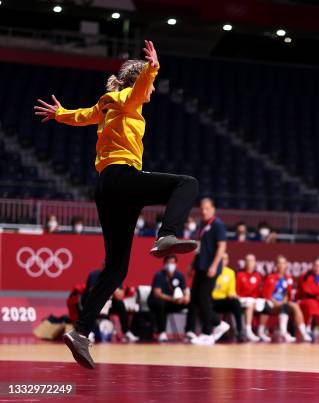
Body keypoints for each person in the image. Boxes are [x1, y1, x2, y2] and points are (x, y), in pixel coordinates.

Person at [35, 40, 199, 368]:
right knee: (187, 183)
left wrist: (60, 114)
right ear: (139, 82)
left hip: (108, 187)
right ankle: (167, 234)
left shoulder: (108, 104)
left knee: (116, 268)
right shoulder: (128, 99)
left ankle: (80, 332)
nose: (151, 92)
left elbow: (84, 116)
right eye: (149, 86)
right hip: (122, 178)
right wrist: (152, 68)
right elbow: (139, 90)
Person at [185, 197, 230, 345]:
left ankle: (207, 332)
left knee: (204, 298)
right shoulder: (201, 225)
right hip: (200, 266)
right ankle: (218, 324)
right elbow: (198, 247)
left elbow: (222, 247)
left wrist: (214, 265)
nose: (204, 211)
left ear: (213, 209)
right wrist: (192, 264)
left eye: (207, 208)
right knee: (196, 299)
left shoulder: (218, 225)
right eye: (202, 209)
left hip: (210, 267)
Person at [82, 265, 138, 343]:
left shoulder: (115, 276)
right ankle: (89, 332)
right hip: (94, 301)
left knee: (120, 304)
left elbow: (120, 295)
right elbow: (92, 291)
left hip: (109, 303)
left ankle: (126, 332)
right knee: (94, 305)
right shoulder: (94, 275)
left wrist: (110, 283)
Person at [262, 255, 312, 342]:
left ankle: (304, 333)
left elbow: (288, 294)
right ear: (276, 265)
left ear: (286, 265)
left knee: (295, 306)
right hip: (272, 304)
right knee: (284, 306)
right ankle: (284, 332)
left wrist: (284, 300)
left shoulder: (288, 278)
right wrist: (276, 302)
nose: (281, 265)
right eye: (279, 263)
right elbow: (267, 295)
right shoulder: (270, 277)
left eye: (283, 263)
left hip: (283, 304)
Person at [147, 255, 190, 342]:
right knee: (160, 304)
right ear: (164, 264)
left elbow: (185, 289)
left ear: (176, 264)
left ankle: (190, 331)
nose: (171, 265)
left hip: (173, 302)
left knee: (192, 304)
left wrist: (186, 297)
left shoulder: (179, 275)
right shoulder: (159, 275)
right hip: (157, 302)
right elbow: (157, 294)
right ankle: (162, 332)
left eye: (173, 263)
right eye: (168, 263)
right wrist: (172, 299)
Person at [236, 254, 271, 342]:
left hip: (254, 300)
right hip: (242, 299)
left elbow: (260, 292)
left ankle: (261, 331)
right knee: (250, 304)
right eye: (247, 260)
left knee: (267, 306)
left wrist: (262, 299)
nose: (250, 263)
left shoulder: (258, 275)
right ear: (244, 262)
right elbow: (236, 291)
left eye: (252, 261)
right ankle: (248, 331)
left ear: (255, 263)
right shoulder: (239, 274)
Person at [211, 253, 244, 342]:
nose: (222, 261)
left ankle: (240, 331)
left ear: (227, 261)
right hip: (211, 299)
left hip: (223, 300)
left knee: (236, 303)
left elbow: (231, 291)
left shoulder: (230, 273)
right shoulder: (212, 270)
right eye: (221, 258)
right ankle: (214, 329)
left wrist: (233, 295)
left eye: (225, 259)